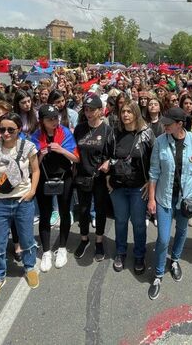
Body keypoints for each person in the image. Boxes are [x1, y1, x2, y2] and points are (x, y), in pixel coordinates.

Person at [146, 107, 192, 299]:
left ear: (180, 124)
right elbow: (154, 172)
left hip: (187, 198)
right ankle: (158, 274)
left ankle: (174, 260)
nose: (164, 125)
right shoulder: (159, 142)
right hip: (165, 197)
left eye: (168, 123)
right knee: (163, 238)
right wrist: (151, 198)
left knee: (182, 231)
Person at [0, 112, 40, 303]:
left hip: (23, 200)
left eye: (10, 129)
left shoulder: (28, 147)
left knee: (26, 237)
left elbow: (35, 170)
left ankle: (29, 267)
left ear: (19, 129)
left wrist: (32, 191)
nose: (6, 133)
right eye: (2, 129)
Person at [108, 100, 155, 274]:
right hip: (118, 187)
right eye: (123, 112)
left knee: (138, 223)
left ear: (136, 113)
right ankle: (120, 252)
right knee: (120, 222)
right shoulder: (114, 133)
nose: (125, 115)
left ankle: (139, 254)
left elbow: (155, 160)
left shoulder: (146, 133)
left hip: (138, 188)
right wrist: (107, 177)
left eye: (129, 111)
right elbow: (107, 155)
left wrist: (151, 181)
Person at [31, 105, 79, 270]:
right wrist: (41, 154)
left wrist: (61, 150)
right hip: (43, 179)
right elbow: (32, 166)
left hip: (64, 178)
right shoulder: (36, 136)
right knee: (44, 214)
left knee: (65, 212)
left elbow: (76, 158)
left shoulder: (65, 132)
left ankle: (62, 248)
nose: (54, 122)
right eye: (49, 119)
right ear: (41, 121)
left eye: (55, 118)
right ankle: (46, 252)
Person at [73, 95, 114, 264]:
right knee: (83, 210)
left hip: (99, 179)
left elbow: (113, 155)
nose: (89, 113)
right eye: (86, 109)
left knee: (100, 210)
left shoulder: (107, 130)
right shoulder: (79, 129)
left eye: (92, 110)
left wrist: (107, 163)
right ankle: (84, 239)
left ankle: (98, 241)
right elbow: (74, 150)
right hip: (82, 177)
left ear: (100, 111)